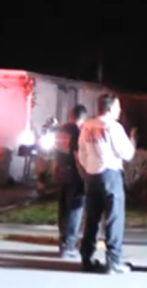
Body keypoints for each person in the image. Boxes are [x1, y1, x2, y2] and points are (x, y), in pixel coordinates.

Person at [77, 93, 135, 274]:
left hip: (92, 175)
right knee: (114, 218)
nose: (119, 110)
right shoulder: (113, 127)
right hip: (110, 174)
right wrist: (132, 140)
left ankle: (86, 258)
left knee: (92, 218)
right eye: (118, 107)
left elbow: (82, 153)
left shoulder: (87, 126)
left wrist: (89, 168)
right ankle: (113, 261)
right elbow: (127, 153)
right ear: (110, 108)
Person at [54, 105, 88, 259]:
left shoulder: (61, 131)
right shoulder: (78, 132)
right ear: (82, 118)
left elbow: (54, 152)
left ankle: (62, 242)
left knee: (63, 209)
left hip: (61, 172)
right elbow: (76, 154)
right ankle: (70, 244)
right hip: (74, 174)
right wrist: (84, 174)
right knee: (75, 209)